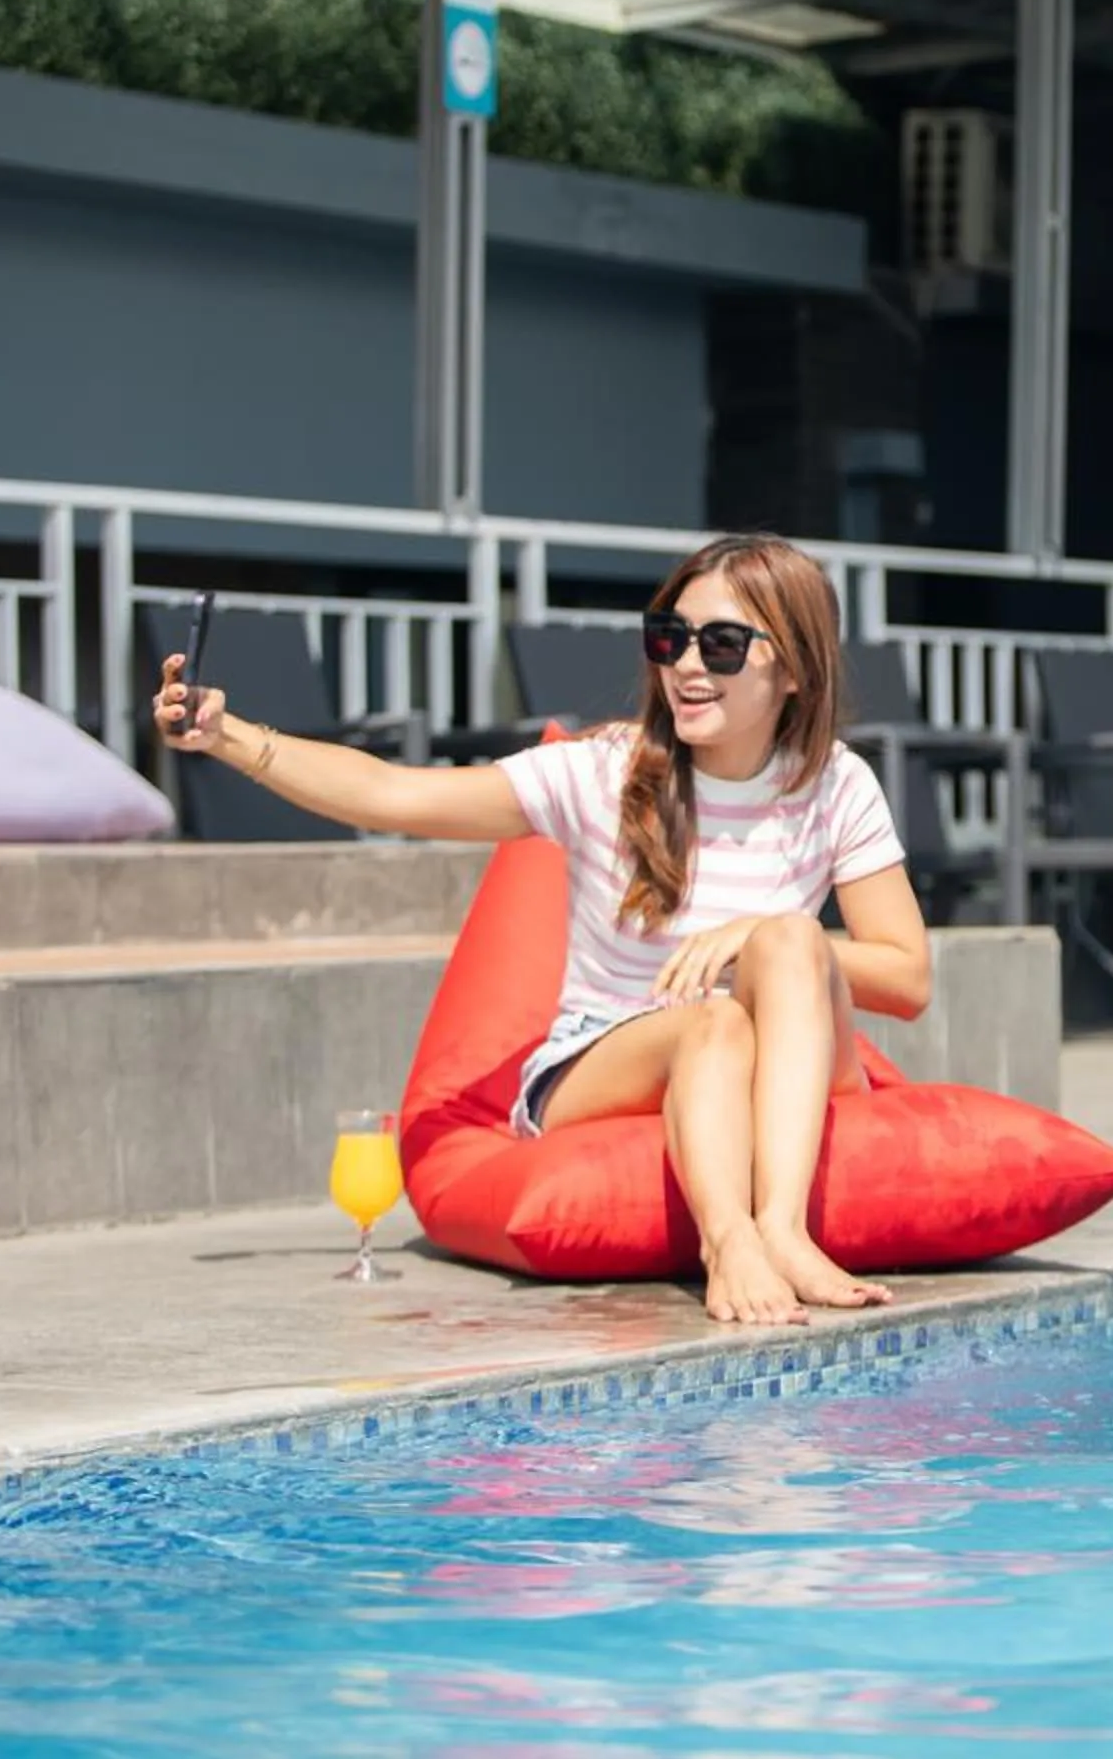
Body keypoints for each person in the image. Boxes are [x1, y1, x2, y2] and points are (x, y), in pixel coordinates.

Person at [151, 535, 932, 1331]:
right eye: (671, 637)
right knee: (715, 1020)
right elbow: (396, 795)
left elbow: (907, 979)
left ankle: (784, 1231)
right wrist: (230, 738)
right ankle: (730, 1240)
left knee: (793, 940)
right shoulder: (606, 771)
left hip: (780, 1043)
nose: (688, 666)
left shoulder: (836, 783)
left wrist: (758, 930)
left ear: (794, 668)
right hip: (610, 1054)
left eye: (723, 644)